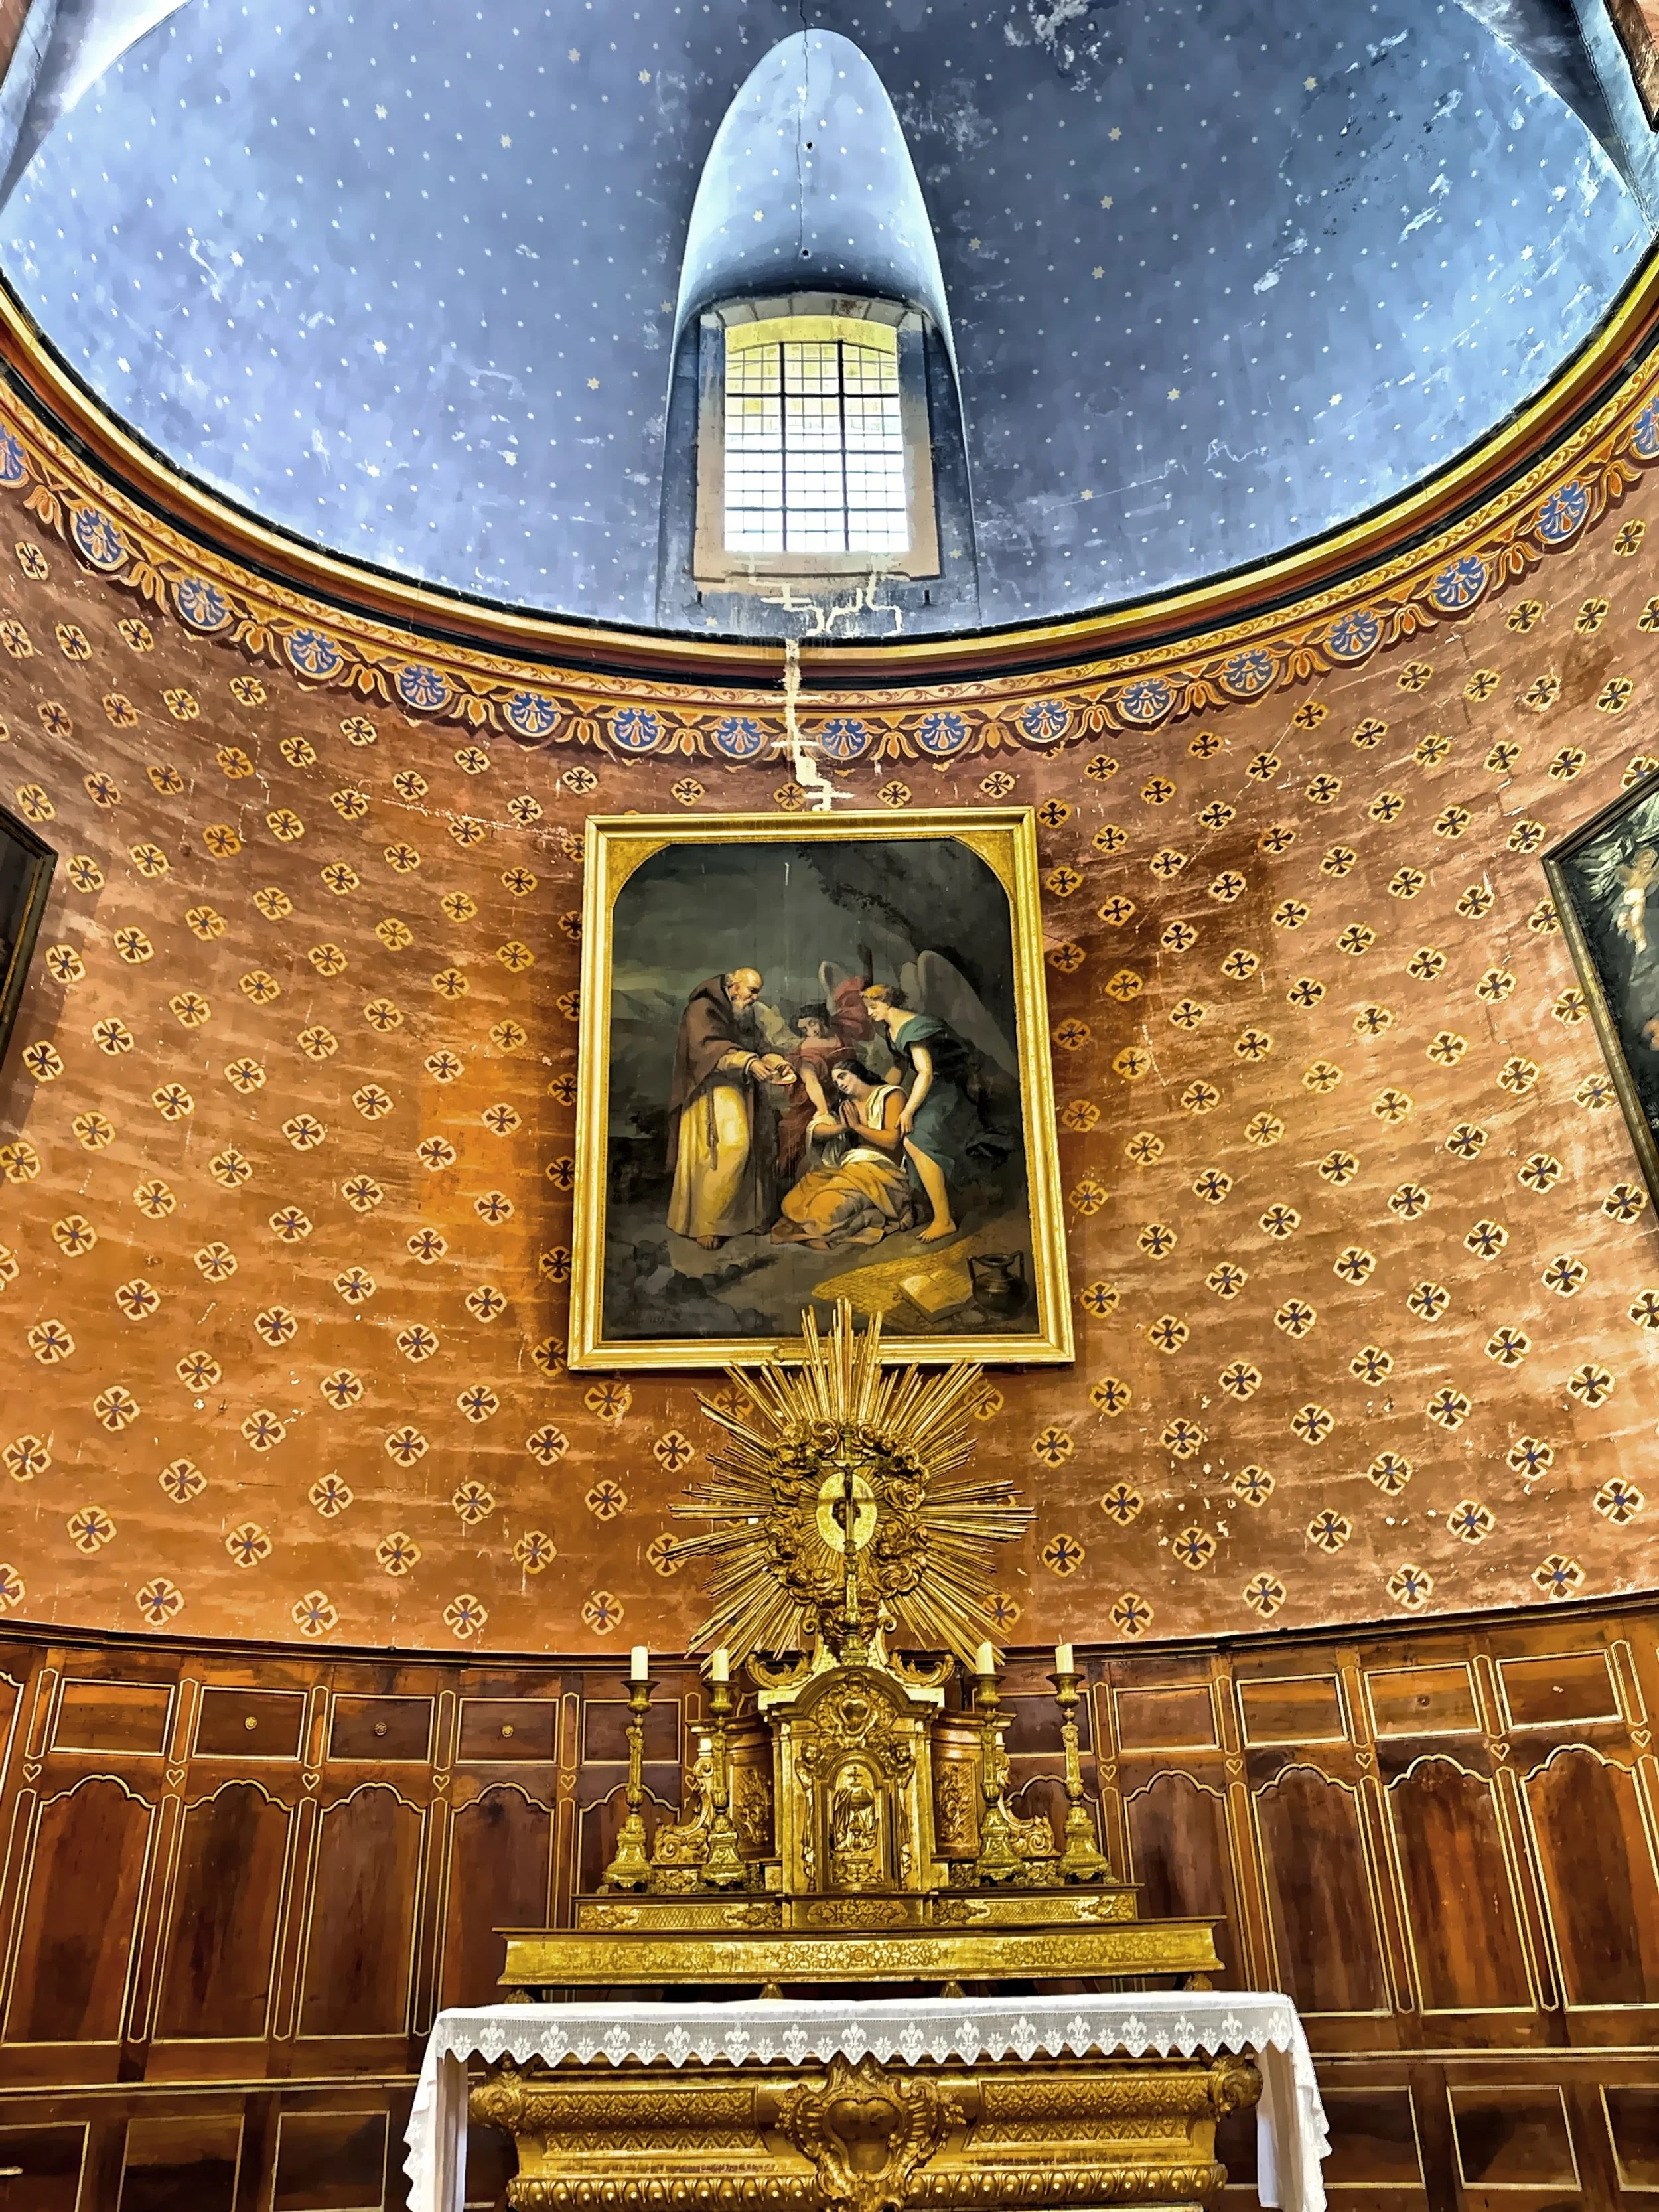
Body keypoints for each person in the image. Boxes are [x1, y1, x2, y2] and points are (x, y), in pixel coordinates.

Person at [665, 969, 795, 1248]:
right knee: (732, 1148)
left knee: (757, 1145)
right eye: (752, 991)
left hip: (743, 1087)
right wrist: (748, 1064)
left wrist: (777, 1063)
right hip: (710, 1090)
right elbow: (707, 1051)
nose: (755, 998)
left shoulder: (741, 1013)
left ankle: (747, 1219)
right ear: (735, 988)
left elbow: (760, 1045)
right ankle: (708, 1223)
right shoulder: (702, 1009)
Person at [861, 982, 981, 1242]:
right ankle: (934, 1210)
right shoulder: (890, 1029)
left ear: (888, 1002)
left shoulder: (915, 1027)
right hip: (932, 1086)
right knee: (908, 1138)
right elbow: (900, 1068)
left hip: (951, 1085)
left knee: (916, 1138)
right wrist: (877, 1094)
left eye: (873, 1007)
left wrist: (907, 1112)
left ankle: (944, 1220)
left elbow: (925, 1072)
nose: (869, 1014)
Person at [770, 1059, 916, 1249]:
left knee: (824, 1214)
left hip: (883, 1172)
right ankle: (868, 1214)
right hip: (852, 1166)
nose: (841, 1084)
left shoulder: (890, 1095)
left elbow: (892, 1141)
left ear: (857, 1072)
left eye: (843, 1076)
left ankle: (875, 1217)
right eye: (837, 1082)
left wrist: (857, 1127)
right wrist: (842, 1128)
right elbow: (818, 1130)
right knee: (792, 1203)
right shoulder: (848, 1105)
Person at [775, 1010, 854, 1184]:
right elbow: (811, 1082)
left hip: (844, 1095)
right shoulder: (807, 1050)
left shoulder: (839, 1037)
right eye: (804, 1029)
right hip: (815, 1103)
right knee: (807, 1148)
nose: (811, 1031)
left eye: (812, 1023)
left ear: (820, 1018)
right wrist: (823, 1110)